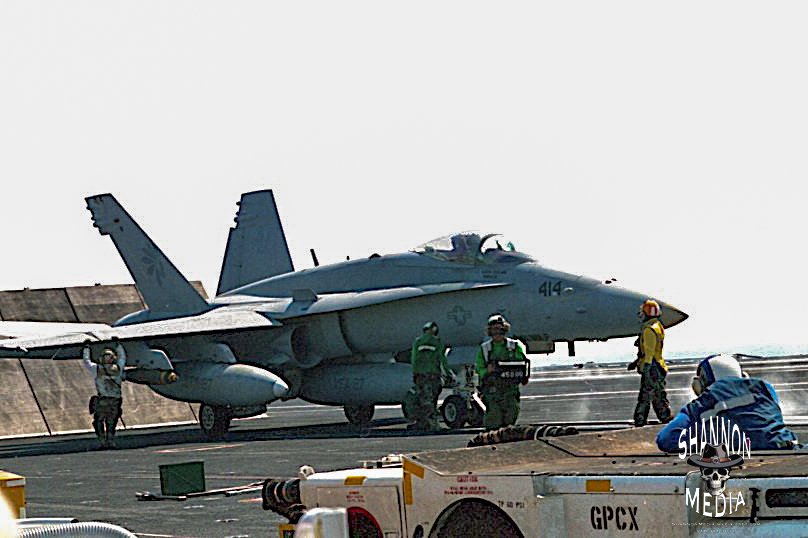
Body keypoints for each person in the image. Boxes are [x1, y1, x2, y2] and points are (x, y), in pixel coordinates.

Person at [657, 354, 799, 452]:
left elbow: (666, 439)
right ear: (743, 376)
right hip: (782, 447)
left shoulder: (701, 403)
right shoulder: (764, 388)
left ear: (702, 384)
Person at [475, 314, 529, 430]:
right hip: (492, 389)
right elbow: (479, 368)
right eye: (494, 330)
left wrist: (524, 377)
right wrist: (487, 371)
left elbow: (523, 363)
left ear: (505, 329)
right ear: (490, 332)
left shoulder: (514, 346)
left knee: (511, 413)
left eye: (500, 329)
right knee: (494, 417)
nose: (497, 333)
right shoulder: (485, 348)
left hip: (510, 389)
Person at [629, 299, 673, 427]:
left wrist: (646, 369)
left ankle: (640, 420)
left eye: (643, 313)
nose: (641, 315)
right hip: (659, 366)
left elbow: (648, 352)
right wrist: (636, 362)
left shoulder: (649, 330)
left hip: (652, 367)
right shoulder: (658, 326)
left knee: (645, 396)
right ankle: (665, 417)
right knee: (659, 395)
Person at [409, 321, 451, 431]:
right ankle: (433, 425)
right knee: (432, 400)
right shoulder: (437, 342)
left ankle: (422, 423)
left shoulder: (417, 342)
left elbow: (414, 359)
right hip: (433, 375)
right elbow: (442, 359)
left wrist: (414, 373)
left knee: (423, 399)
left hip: (420, 375)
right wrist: (449, 373)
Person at [85, 344, 126, 449]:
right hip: (115, 399)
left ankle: (103, 441)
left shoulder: (97, 368)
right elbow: (122, 358)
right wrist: (118, 345)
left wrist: (86, 348)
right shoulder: (118, 368)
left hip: (103, 399)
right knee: (111, 421)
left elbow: (87, 362)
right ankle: (110, 441)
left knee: (99, 421)